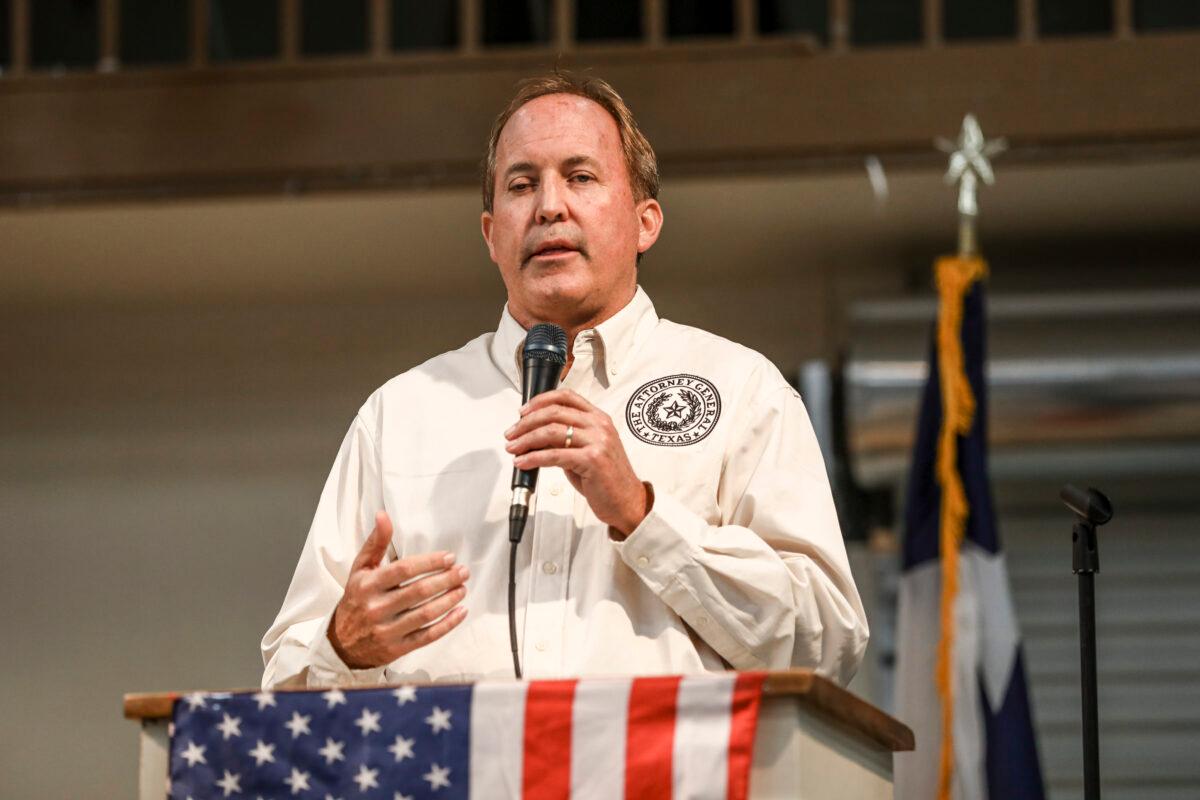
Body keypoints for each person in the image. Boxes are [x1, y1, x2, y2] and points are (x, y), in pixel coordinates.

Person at [261, 73, 868, 689]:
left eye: (580, 177)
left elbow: (829, 644)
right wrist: (345, 646)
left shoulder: (743, 391)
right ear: (491, 235)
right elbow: (284, 676)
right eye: (522, 185)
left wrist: (642, 514)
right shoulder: (402, 414)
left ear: (645, 222)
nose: (549, 205)